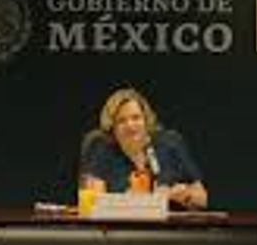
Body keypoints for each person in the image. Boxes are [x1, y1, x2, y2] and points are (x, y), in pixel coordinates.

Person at [80, 87, 208, 209]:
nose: (130, 125)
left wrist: (185, 196)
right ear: (111, 126)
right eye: (121, 121)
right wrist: (130, 200)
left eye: (136, 118)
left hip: (170, 223)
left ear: (146, 119)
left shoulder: (170, 143)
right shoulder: (101, 149)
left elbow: (202, 199)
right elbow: (94, 205)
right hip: (122, 224)